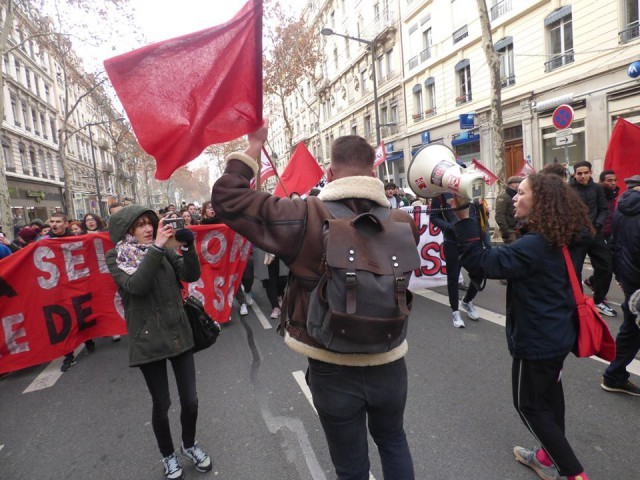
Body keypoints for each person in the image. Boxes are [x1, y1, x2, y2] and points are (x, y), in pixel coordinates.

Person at [212, 122, 418, 480]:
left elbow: (228, 199)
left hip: (331, 363)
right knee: (393, 441)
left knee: (351, 466)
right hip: (388, 361)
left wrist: (255, 145)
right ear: (374, 170)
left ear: (329, 172)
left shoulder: (305, 215)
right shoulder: (401, 220)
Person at [453, 173, 593, 480]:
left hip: (537, 339)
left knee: (529, 406)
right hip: (559, 333)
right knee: (551, 400)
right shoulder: (565, 233)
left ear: (541, 202)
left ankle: (574, 474)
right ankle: (545, 456)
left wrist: (464, 217)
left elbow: (480, 262)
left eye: (522, 193)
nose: (515, 197)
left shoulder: (536, 244)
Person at [106, 205, 212, 480]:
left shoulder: (163, 249)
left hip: (178, 332)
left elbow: (190, 276)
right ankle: (168, 455)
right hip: (147, 339)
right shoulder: (116, 256)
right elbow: (136, 286)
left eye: (148, 223)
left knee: (190, 400)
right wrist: (157, 248)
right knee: (161, 404)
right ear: (127, 230)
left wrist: (188, 249)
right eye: (139, 225)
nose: (148, 228)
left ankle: (189, 445)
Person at [601, 174, 640, 396]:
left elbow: (614, 244)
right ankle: (614, 375)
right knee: (632, 328)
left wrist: (620, 273)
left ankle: (614, 375)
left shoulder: (620, 208)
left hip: (629, 277)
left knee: (632, 328)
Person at [45, 212, 95, 370]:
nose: (54, 224)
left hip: (76, 284)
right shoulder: (44, 242)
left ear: (66, 224)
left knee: (80, 314)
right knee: (64, 319)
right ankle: (69, 355)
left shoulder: (76, 238)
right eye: (52, 221)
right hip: (57, 287)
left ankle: (88, 339)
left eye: (58, 221)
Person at [569, 161, 616, 317]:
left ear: (590, 172)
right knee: (574, 271)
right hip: (575, 237)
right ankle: (579, 303)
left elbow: (604, 209)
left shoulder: (596, 188)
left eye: (586, 173)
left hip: (595, 234)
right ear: (574, 174)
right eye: (579, 173)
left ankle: (599, 300)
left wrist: (598, 224)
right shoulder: (568, 190)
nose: (583, 176)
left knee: (606, 267)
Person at [430, 193, 484, 328]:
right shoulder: (439, 195)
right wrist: (450, 226)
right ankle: (455, 311)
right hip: (452, 241)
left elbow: (476, 212)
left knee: (479, 272)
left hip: (471, 239)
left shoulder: (468, 188)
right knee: (453, 277)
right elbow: (434, 217)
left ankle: (467, 300)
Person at [583, 169, 619, 294]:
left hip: (610, 234)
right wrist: (598, 227)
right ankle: (598, 295)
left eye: (614, 180)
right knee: (604, 266)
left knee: (608, 265)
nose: (613, 183)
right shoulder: (597, 194)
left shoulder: (613, 195)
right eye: (609, 180)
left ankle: (593, 282)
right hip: (598, 234)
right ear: (601, 181)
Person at [495, 176, 524, 244]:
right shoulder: (503, 197)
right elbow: (499, 215)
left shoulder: (518, 195)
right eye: (520, 183)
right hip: (510, 231)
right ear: (513, 184)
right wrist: (505, 231)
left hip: (518, 229)